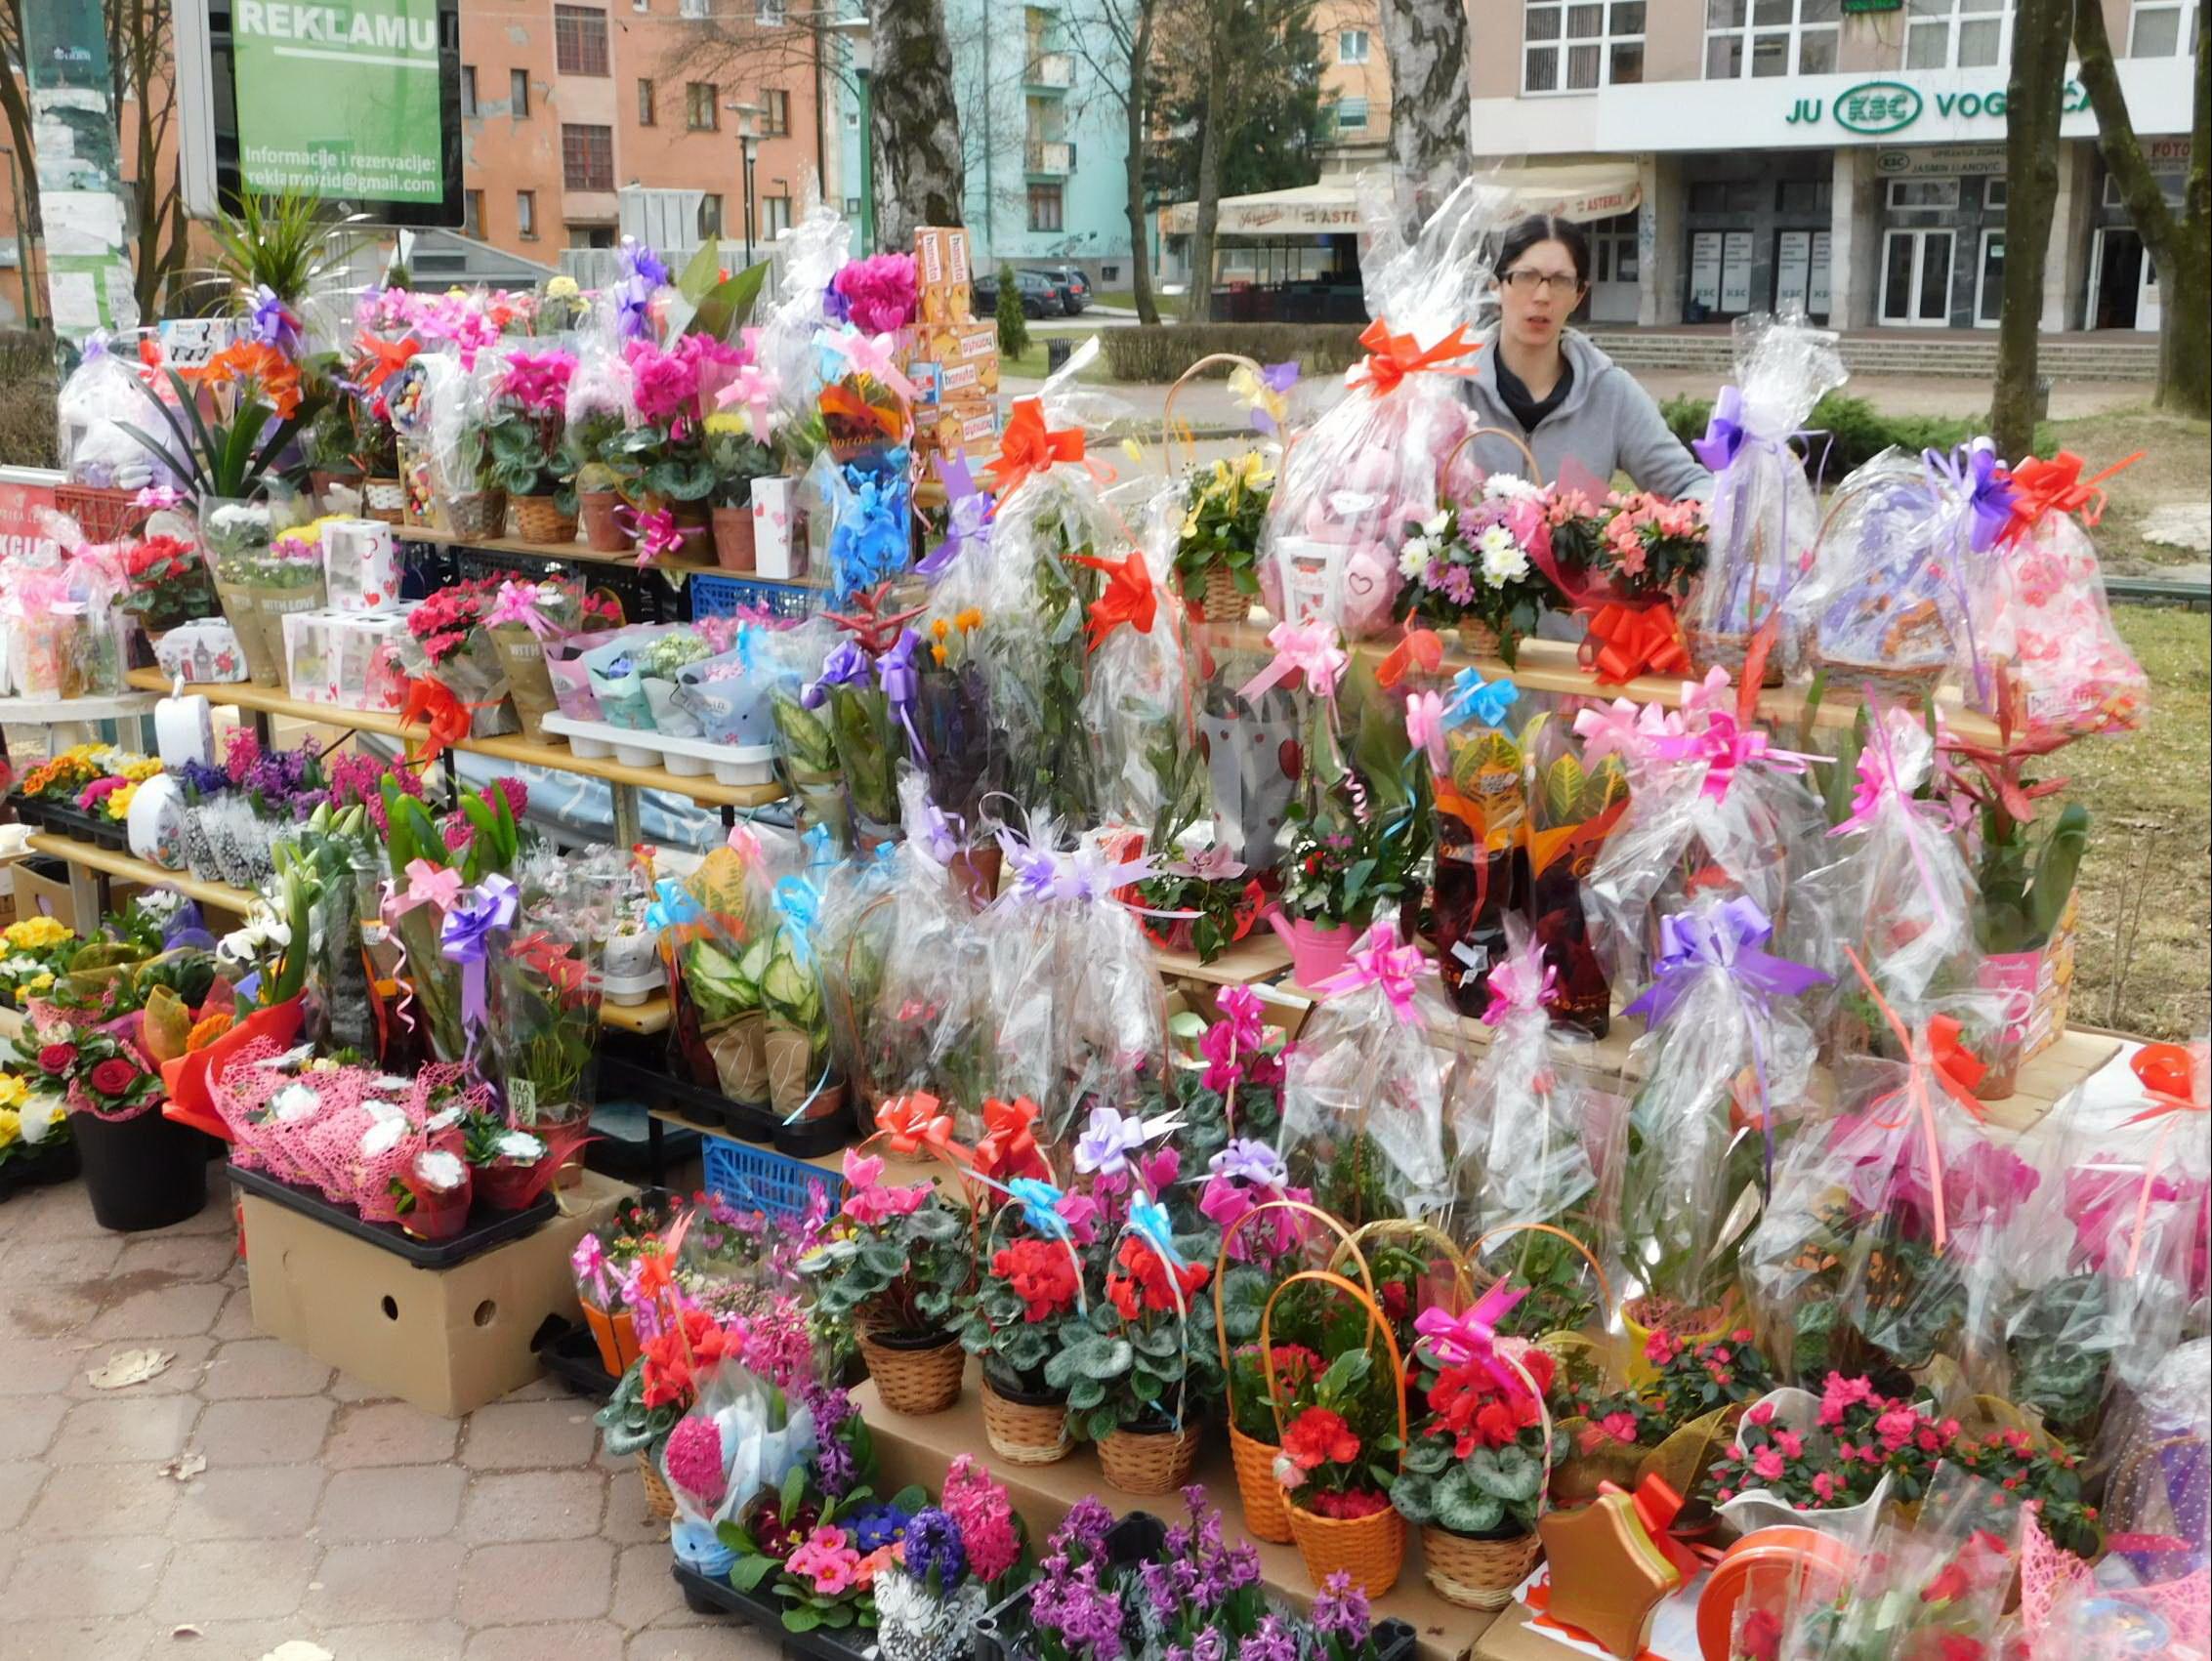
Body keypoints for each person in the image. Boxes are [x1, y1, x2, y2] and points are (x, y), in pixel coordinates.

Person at [1461, 215, 1711, 501]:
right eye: (1526, 277)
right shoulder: (1451, 385)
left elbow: (1690, 484)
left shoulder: (1610, 392)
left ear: (1579, 295)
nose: (1542, 295)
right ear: (1497, 287)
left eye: (1560, 281)